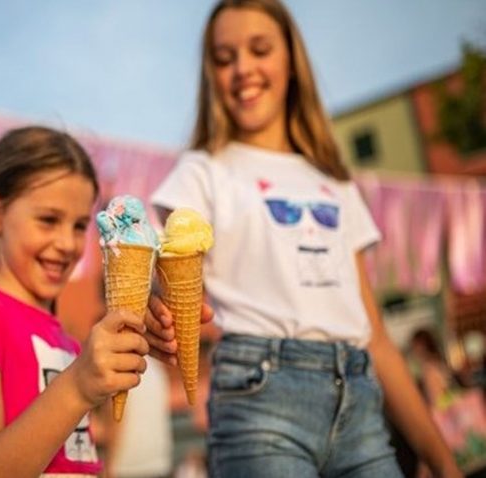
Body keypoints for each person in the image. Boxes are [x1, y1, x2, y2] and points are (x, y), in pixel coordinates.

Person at [144, 1, 462, 476]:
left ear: (291, 61)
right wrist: (159, 305)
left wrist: (445, 464)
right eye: (224, 57)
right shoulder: (201, 171)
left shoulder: (333, 182)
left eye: (259, 49)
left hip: (360, 407)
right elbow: (170, 274)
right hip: (258, 401)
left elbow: (374, 334)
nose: (242, 69)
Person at [0, 126, 150, 478]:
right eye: (48, 220)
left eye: (80, 226)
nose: (67, 243)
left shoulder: (65, 340)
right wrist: (78, 384)